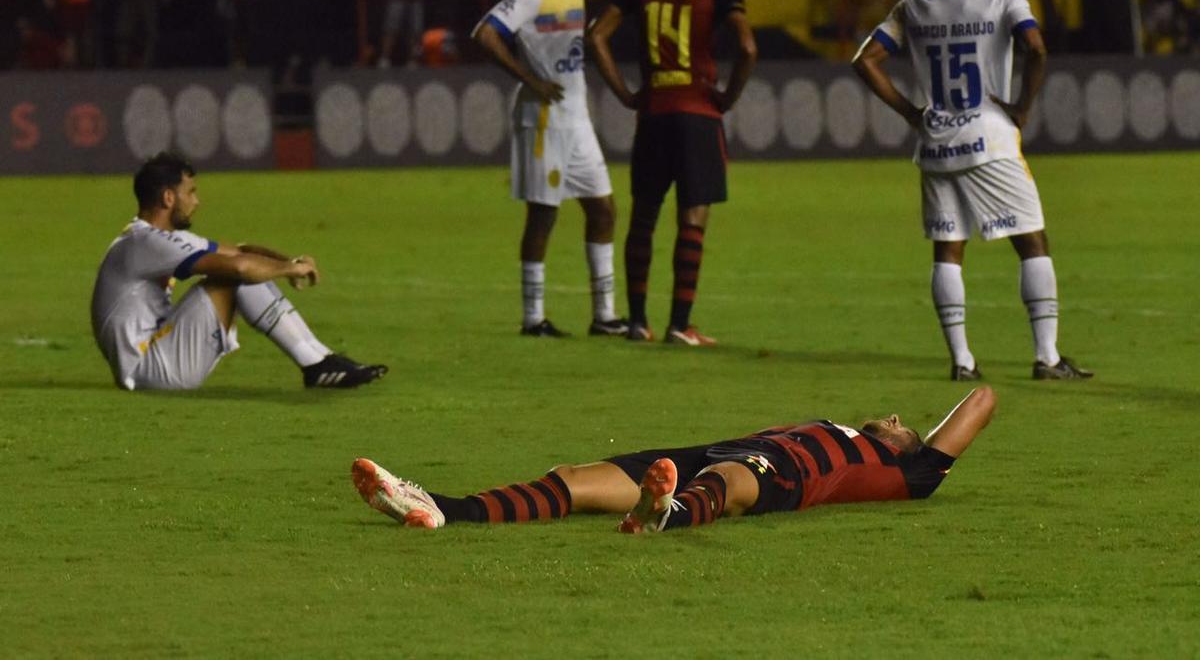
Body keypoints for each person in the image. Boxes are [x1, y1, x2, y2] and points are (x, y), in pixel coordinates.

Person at [851, 0, 1092, 381]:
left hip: (937, 141)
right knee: (1032, 243)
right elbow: (1037, 49)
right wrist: (1022, 105)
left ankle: (962, 361)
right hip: (990, 137)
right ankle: (1047, 357)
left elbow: (866, 61)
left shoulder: (914, 3)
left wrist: (909, 112)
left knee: (948, 250)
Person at [352, 386, 996, 531]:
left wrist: (923, 443)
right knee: (574, 480)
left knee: (732, 483)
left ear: (906, 448)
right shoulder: (822, 424)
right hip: (701, 454)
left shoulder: (904, 474)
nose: (890, 417)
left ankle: (668, 512)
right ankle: (440, 507)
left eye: (900, 424)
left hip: (782, 478)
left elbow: (983, 400)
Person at [586, 0, 757, 346]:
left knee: (644, 216)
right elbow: (748, 47)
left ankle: (637, 322)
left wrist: (626, 93)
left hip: (654, 113)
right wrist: (727, 98)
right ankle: (680, 325)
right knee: (693, 218)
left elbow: (596, 35)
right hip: (698, 113)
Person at [90, 152, 387, 391]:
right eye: (190, 192)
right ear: (169, 198)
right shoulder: (145, 242)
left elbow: (239, 251)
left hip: (155, 356)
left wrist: (289, 262)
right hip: (148, 369)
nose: (197, 201)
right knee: (234, 275)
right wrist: (284, 270)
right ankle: (317, 364)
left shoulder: (153, 238)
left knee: (238, 268)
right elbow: (239, 266)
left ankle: (322, 359)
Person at [471, 0, 626, 338]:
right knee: (543, 215)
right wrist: (530, 79)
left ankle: (605, 316)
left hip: (576, 117)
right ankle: (533, 319)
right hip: (542, 118)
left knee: (603, 208)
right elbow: (484, 34)